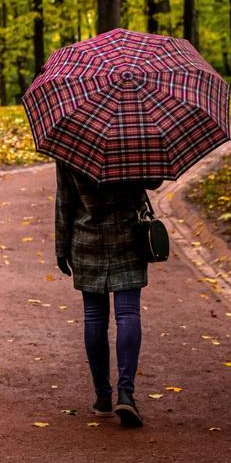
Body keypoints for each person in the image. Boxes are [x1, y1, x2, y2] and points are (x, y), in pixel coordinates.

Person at [54, 161, 161, 428]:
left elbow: (65, 200)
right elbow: (154, 182)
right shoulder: (136, 136)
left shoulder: (73, 141)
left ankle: (103, 397)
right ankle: (126, 393)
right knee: (128, 313)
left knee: (94, 317)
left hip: (86, 239)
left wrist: (61, 246)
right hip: (128, 237)